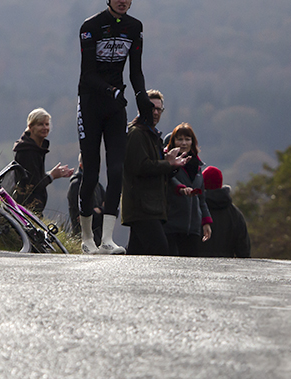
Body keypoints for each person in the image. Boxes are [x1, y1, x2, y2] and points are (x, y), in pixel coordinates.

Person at [77, 0, 148, 254]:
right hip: (91, 103)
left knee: (117, 170)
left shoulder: (135, 27)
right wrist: (111, 91)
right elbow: (87, 75)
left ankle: (107, 239)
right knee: (91, 173)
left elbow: (136, 71)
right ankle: (86, 238)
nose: (122, 0)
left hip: (115, 106)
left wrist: (142, 97)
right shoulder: (90, 26)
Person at [121, 90, 187, 256]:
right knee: (160, 251)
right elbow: (141, 167)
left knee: (136, 254)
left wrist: (170, 165)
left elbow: (154, 170)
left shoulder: (151, 134)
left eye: (159, 109)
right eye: (152, 108)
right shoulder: (136, 134)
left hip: (149, 207)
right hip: (143, 207)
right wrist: (168, 163)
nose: (156, 112)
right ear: (141, 108)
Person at [163, 123, 213, 256]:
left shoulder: (197, 168)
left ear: (192, 142)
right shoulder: (168, 164)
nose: (184, 143)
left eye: (187, 139)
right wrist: (180, 188)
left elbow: (201, 199)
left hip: (193, 229)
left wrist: (206, 222)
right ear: (173, 142)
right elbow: (169, 180)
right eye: (180, 139)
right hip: (171, 226)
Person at [11, 108, 74, 215]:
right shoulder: (28, 151)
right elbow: (33, 185)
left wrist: (52, 173)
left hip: (30, 208)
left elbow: (34, 177)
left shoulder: (35, 148)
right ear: (31, 127)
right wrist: (52, 176)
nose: (45, 128)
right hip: (26, 209)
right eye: (40, 124)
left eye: (47, 124)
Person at [199, 166, 251, 258]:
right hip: (226, 267)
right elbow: (243, 250)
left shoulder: (196, 210)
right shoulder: (235, 214)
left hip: (197, 266)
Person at [67, 157, 105, 246]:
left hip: (99, 237)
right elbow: (81, 214)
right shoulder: (76, 185)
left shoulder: (98, 185)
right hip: (81, 238)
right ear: (81, 166)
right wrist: (100, 211)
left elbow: (112, 210)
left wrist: (99, 210)